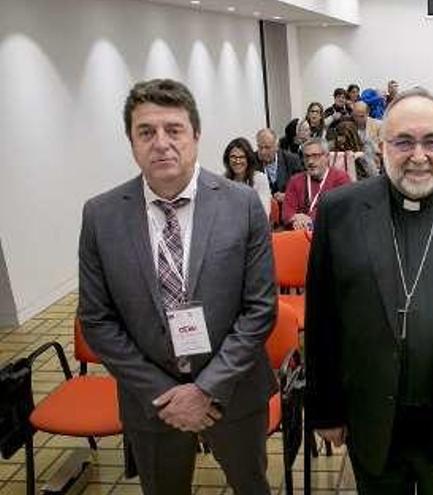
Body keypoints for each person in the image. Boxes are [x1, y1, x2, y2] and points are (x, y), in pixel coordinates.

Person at [306, 87, 433, 495]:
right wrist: (326, 410)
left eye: (431, 141)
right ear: (382, 145)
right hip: (370, 413)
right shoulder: (340, 210)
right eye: (403, 142)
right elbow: (322, 320)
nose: (418, 156)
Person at [78, 79, 276, 494]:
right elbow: (97, 320)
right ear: (130, 141)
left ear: (197, 136)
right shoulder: (101, 215)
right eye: (146, 132)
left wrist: (206, 390)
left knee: (251, 485)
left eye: (174, 129)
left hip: (234, 394)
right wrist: (167, 395)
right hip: (152, 404)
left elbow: (260, 309)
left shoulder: (242, 205)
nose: (161, 143)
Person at [282, 137, 350, 231]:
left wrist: (309, 220)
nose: (310, 162)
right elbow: (287, 213)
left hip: (330, 233)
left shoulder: (340, 178)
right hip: (299, 233)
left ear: (327, 157)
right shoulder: (295, 180)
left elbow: (340, 211)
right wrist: (296, 218)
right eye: (307, 156)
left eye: (315, 156)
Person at [223, 137, 271, 218]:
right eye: (233, 157)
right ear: (228, 159)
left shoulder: (260, 179)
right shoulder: (223, 181)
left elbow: (263, 213)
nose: (237, 161)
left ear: (248, 159)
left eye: (242, 157)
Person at [256, 128, 303, 204]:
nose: (263, 152)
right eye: (260, 147)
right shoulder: (252, 161)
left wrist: (287, 196)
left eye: (267, 147)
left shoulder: (292, 160)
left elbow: (302, 189)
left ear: (277, 147)